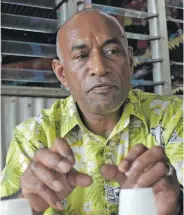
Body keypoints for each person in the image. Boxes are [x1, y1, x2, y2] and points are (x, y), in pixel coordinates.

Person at [1, 9, 183, 215]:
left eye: (112, 51)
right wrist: (24, 204)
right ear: (62, 73)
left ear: (130, 62)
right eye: (82, 55)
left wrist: (177, 206)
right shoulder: (32, 136)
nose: (99, 68)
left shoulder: (174, 117)